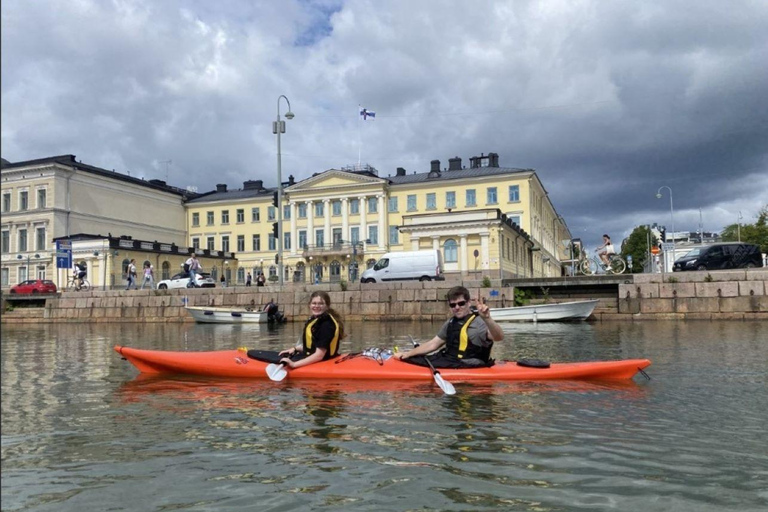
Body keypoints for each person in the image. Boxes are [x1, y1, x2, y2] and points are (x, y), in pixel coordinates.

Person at [394, 286, 504, 368]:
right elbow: (433, 344)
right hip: (449, 360)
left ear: (469, 303)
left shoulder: (480, 322)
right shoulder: (451, 322)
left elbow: (499, 337)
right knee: (416, 359)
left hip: (470, 365)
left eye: (461, 303)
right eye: (453, 305)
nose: (457, 307)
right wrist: (408, 354)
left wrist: (487, 318)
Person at [248, 291, 345, 370]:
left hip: (323, 361)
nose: (316, 306)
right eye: (314, 303)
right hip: (315, 357)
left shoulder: (326, 324)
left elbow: (319, 355)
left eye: (321, 303)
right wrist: (295, 349)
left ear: (327, 306)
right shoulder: (317, 320)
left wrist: (294, 365)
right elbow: (313, 345)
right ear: (309, 305)